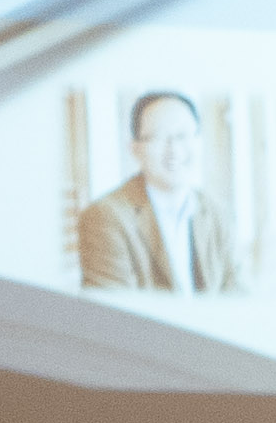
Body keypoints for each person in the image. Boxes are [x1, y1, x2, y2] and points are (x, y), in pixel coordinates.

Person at [77, 92, 235, 291]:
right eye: (159, 137)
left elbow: (239, 294)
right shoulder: (104, 217)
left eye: (183, 136)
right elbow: (112, 307)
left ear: (199, 141)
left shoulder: (219, 214)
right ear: (135, 149)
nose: (174, 149)